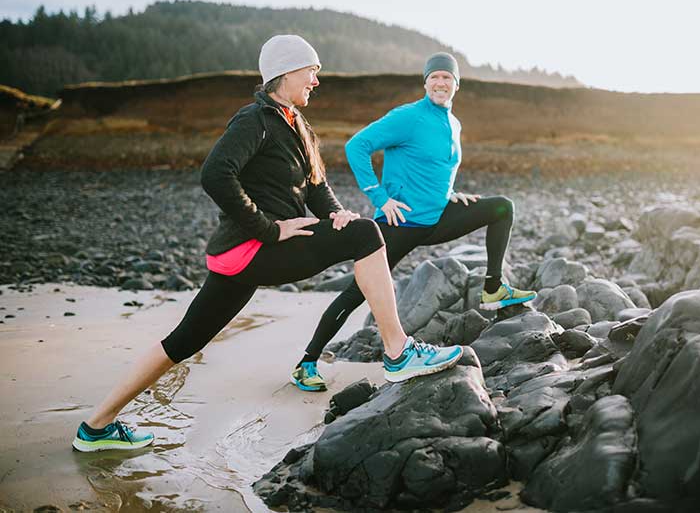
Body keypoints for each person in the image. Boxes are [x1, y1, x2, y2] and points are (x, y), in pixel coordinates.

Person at [72, 36, 463, 452]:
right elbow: (216, 174)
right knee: (369, 234)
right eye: (311, 71)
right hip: (257, 248)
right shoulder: (255, 119)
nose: (316, 80)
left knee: (183, 340)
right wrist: (269, 229)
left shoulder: (297, 124)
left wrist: (337, 214)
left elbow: (317, 188)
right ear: (287, 71)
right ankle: (399, 353)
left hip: (243, 257)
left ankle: (96, 427)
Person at [290, 52, 537, 392]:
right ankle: (307, 362)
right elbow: (357, 146)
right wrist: (379, 197)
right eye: (434, 77)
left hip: (437, 218)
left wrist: (450, 194)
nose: (440, 83)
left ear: (456, 84)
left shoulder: (453, 123)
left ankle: (493, 287)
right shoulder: (408, 117)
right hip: (401, 224)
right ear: (425, 83)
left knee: (501, 208)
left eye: (446, 77)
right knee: (357, 291)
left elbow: (438, 165)